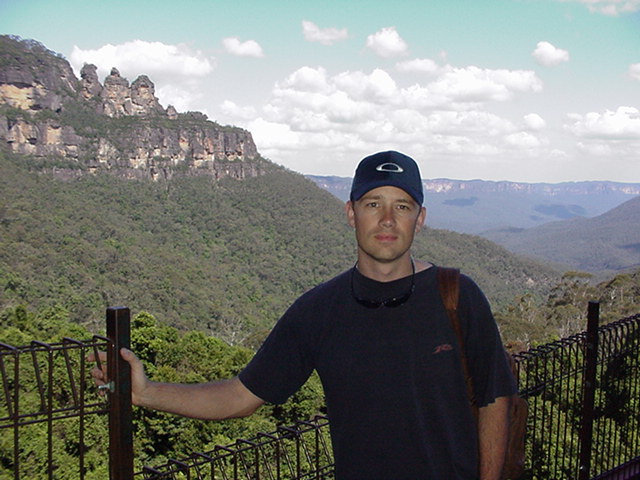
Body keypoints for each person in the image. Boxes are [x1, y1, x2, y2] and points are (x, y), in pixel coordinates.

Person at [91, 150, 516, 480]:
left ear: (420, 219)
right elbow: (240, 396)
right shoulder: (318, 311)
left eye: (402, 206)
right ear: (350, 213)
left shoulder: (457, 296)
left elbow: (495, 398)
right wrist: (147, 393)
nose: (387, 220)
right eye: (373, 204)